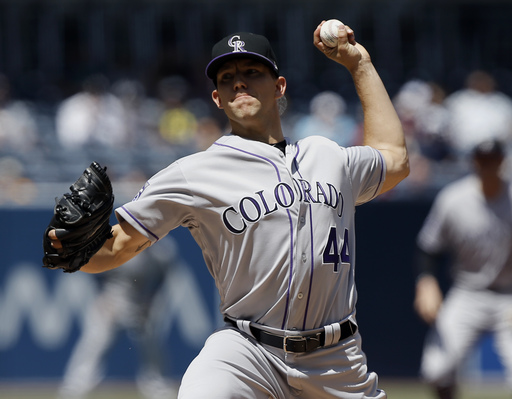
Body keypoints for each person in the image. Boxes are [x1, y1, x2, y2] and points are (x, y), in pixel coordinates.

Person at [48, 21, 409, 398]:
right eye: (227, 78)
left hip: (337, 359)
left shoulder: (329, 155)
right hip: (248, 351)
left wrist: (360, 64)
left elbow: (396, 160)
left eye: (252, 72)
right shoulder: (194, 173)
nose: (239, 82)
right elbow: (116, 246)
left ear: (279, 87)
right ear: (217, 98)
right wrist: (72, 253)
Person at [413, 139, 512, 399]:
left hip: (509, 295)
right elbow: (428, 248)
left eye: (493, 160)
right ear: (474, 163)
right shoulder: (453, 199)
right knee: (436, 370)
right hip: (468, 292)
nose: (488, 166)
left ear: (502, 162)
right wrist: (426, 282)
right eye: (483, 160)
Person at [58, 237, 180, 399]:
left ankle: (156, 384)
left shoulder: (163, 251)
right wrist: (103, 297)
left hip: (139, 301)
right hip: (112, 297)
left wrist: (149, 301)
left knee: (151, 343)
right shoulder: (117, 244)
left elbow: (162, 279)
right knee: (95, 341)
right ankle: (75, 386)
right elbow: (95, 272)